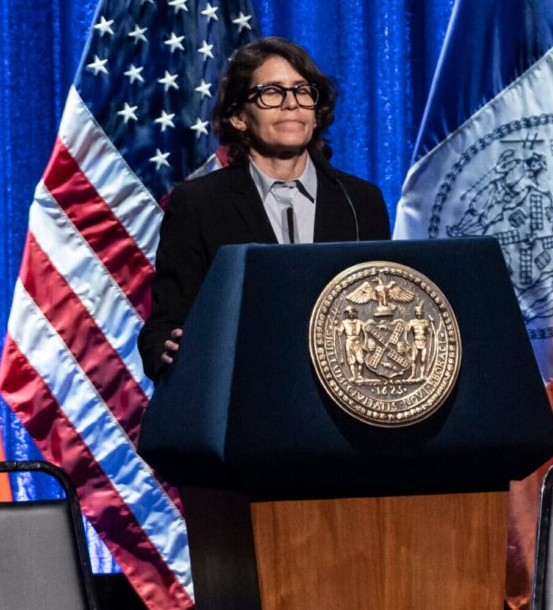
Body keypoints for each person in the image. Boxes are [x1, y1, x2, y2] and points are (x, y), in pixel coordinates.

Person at [138, 37, 391, 380]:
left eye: (302, 91)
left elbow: (382, 308)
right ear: (239, 116)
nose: (291, 104)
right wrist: (168, 350)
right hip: (245, 392)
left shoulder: (360, 201)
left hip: (342, 396)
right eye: (271, 92)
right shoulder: (198, 204)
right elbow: (164, 326)